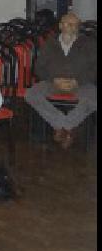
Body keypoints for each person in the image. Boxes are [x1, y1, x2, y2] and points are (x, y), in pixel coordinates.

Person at [25, 12, 97, 149]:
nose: (70, 28)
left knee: (94, 98)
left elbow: (94, 68)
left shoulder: (88, 44)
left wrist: (78, 81)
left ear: (78, 28)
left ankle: (63, 127)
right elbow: (38, 68)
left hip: (80, 84)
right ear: (60, 26)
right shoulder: (50, 43)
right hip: (53, 83)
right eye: (67, 24)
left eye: (74, 25)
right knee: (31, 94)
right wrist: (54, 79)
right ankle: (64, 126)